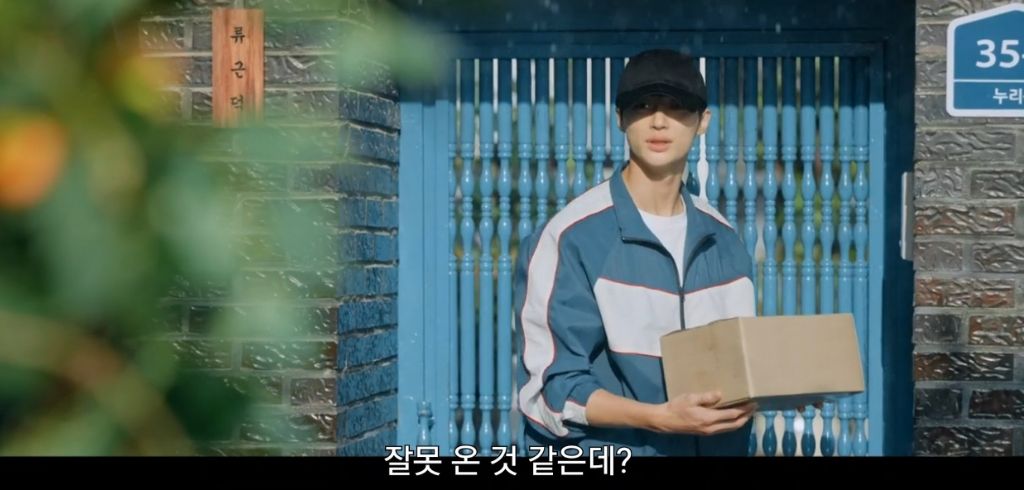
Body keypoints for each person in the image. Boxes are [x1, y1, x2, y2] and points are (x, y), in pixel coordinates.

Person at [513, 49, 758, 457]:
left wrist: (783, 387)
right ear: (620, 118)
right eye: (642, 106)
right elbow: (552, 391)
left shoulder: (725, 240)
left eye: (677, 106)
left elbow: (736, 365)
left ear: (703, 121)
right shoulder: (570, 237)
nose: (659, 121)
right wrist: (659, 418)